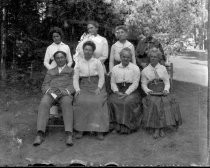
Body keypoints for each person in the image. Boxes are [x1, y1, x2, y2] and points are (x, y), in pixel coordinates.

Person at [33, 51, 75, 146]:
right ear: (55, 60)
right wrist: (50, 92)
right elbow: (44, 85)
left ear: (65, 58)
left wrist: (64, 92)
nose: (60, 59)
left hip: (65, 94)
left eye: (62, 57)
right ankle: (40, 133)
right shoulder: (50, 71)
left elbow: (73, 85)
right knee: (44, 103)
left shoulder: (71, 71)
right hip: (51, 93)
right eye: (58, 58)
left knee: (67, 103)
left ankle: (69, 133)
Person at [141, 48, 182, 139]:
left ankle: (161, 128)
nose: (153, 58)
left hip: (162, 91)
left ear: (159, 58)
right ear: (149, 58)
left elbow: (167, 82)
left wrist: (166, 90)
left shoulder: (163, 68)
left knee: (167, 102)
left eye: (155, 57)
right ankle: (157, 129)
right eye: (151, 57)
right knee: (155, 103)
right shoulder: (145, 70)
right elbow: (143, 84)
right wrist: (148, 91)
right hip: (152, 92)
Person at [73, 41, 109, 140]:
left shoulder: (97, 62)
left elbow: (102, 77)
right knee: (81, 101)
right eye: (86, 49)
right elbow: (75, 78)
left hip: (96, 85)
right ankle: (81, 129)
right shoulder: (78, 63)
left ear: (93, 51)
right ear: (83, 50)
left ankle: (99, 130)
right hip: (83, 86)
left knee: (97, 101)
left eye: (90, 50)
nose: (88, 52)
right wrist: (77, 89)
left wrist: (99, 88)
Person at [108, 47, 142, 134]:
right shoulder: (115, 68)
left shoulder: (135, 68)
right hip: (118, 90)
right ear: (120, 57)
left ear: (130, 58)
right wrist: (116, 91)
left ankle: (125, 127)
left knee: (126, 102)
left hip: (131, 91)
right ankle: (115, 125)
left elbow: (135, 83)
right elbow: (112, 83)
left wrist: (126, 93)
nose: (125, 58)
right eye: (123, 56)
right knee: (111, 101)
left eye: (127, 57)